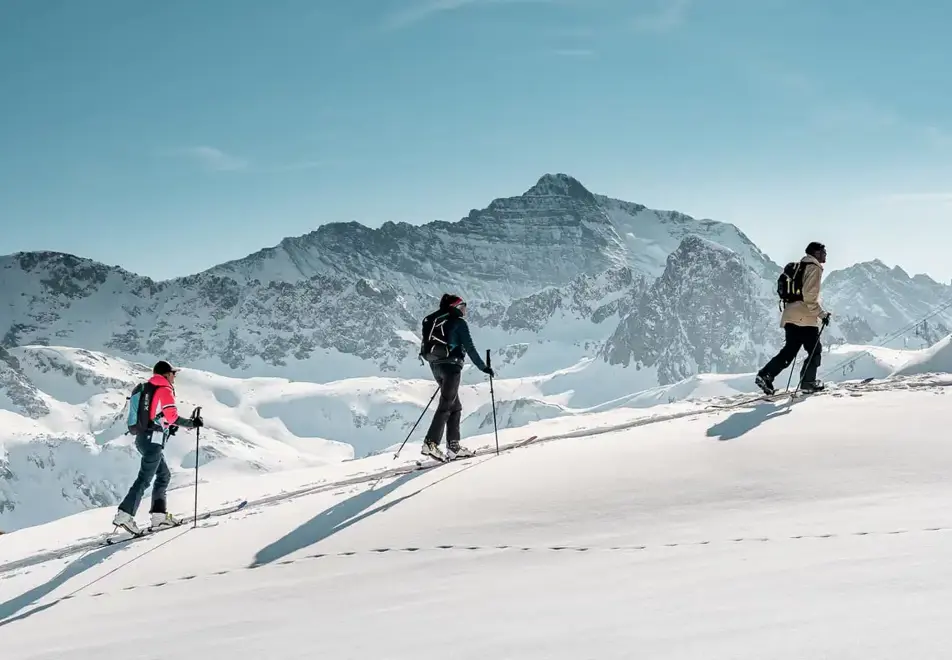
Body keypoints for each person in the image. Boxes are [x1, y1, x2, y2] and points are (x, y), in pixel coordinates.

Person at [112, 360, 203, 535]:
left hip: (143, 439)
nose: (174, 377)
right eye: (173, 373)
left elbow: (158, 417)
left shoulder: (149, 388)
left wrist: (168, 426)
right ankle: (125, 514)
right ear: (166, 374)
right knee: (144, 479)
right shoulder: (164, 389)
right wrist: (192, 423)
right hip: (152, 441)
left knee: (163, 475)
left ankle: (159, 517)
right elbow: (172, 416)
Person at [419, 294, 494, 461]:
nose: (464, 310)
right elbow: (470, 348)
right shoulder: (459, 323)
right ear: (455, 307)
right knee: (446, 405)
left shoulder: (436, 321)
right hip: (451, 368)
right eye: (462, 306)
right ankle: (430, 443)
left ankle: (454, 447)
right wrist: (483, 367)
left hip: (435, 366)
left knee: (455, 406)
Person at [755, 242, 832, 395]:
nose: (825, 254)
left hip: (790, 315)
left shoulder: (799, 267)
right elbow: (809, 296)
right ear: (816, 253)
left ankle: (766, 375)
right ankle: (808, 383)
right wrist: (822, 314)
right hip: (805, 317)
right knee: (815, 351)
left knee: (789, 351)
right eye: (823, 251)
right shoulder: (814, 268)